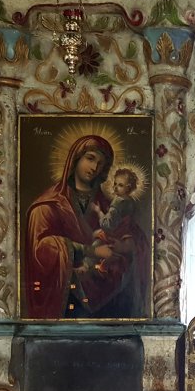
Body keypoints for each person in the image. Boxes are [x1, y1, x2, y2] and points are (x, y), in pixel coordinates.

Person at [24, 135, 146, 319]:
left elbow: (136, 239)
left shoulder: (109, 205)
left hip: (107, 306)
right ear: (76, 158)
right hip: (66, 299)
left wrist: (124, 245)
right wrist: (92, 251)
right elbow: (40, 249)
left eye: (100, 163)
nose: (94, 167)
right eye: (90, 158)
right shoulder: (48, 205)